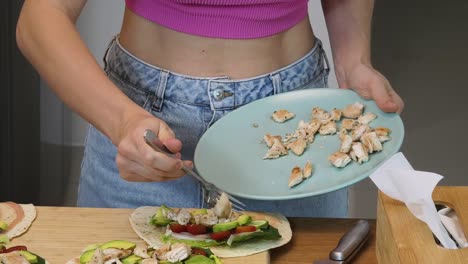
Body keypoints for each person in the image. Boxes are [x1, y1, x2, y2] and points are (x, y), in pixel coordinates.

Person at [16, 0, 404, 217]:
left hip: (293, 129)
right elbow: (40, 19)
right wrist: (123, 122)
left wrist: (355, 62)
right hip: (145, 121)